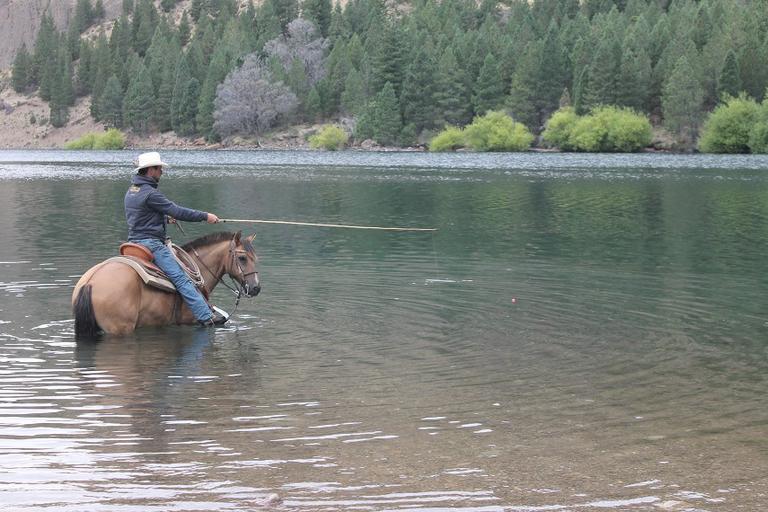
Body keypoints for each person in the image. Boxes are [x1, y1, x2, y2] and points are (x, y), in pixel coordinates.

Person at [124, 152, 227, 326]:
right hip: (151, 244)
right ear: (150, 170)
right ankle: (205, 316)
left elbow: (140, 215)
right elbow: (177, 210)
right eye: (159, 169)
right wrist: (205, 216)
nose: (162, 172)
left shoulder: (132, 191)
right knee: (181, 278)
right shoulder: (151, 193)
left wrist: (163, 219)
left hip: (133, 242)